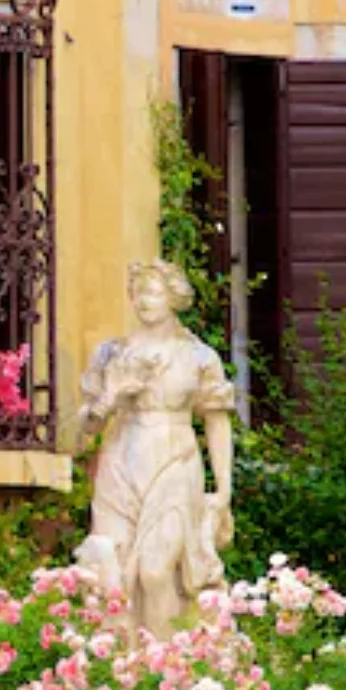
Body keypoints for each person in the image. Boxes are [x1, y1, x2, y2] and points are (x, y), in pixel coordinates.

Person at [79, 259, 235, 638]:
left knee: (154, 570)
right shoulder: (110, 355)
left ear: (173, 297)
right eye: (137, 293)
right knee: (112, 576)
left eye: (153, 292)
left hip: (175, 464)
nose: (143, 301)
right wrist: (110, 396)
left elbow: (216, 421)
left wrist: (224, 488)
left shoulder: (198, 357)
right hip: (120, 464)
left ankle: (167, 665)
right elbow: (83, 431)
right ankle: (124, 665)